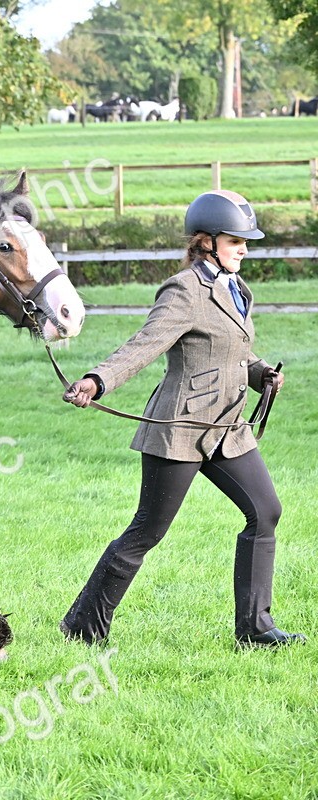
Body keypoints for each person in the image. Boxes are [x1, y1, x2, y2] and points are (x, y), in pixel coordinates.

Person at [60, 189, 305, 650]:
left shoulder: (234, 287)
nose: (245, 250)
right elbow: (143, 344)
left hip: (228, 428)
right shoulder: (184, 289)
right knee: (147, 530)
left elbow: (233, 349)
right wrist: (96, 381)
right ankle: (82, 625)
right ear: (207, 241)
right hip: (181, 428)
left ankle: (256, 628)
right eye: (237, 241)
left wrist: (260, 373)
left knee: (265, 512)